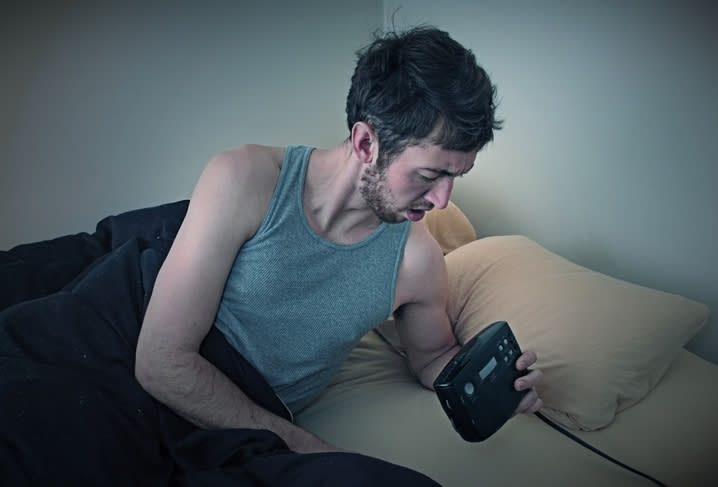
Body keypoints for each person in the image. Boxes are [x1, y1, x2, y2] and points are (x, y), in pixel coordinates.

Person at [135, 25, 543, 484]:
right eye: (430, 175)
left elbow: (433, 358)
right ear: (366, 144)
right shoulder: (245, 179)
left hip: (242, 420)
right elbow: (160, 360)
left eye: (457, 178)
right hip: (137, 359)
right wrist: (309, 447)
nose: (443, 200)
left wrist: (495, 389)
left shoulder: (417, 262)